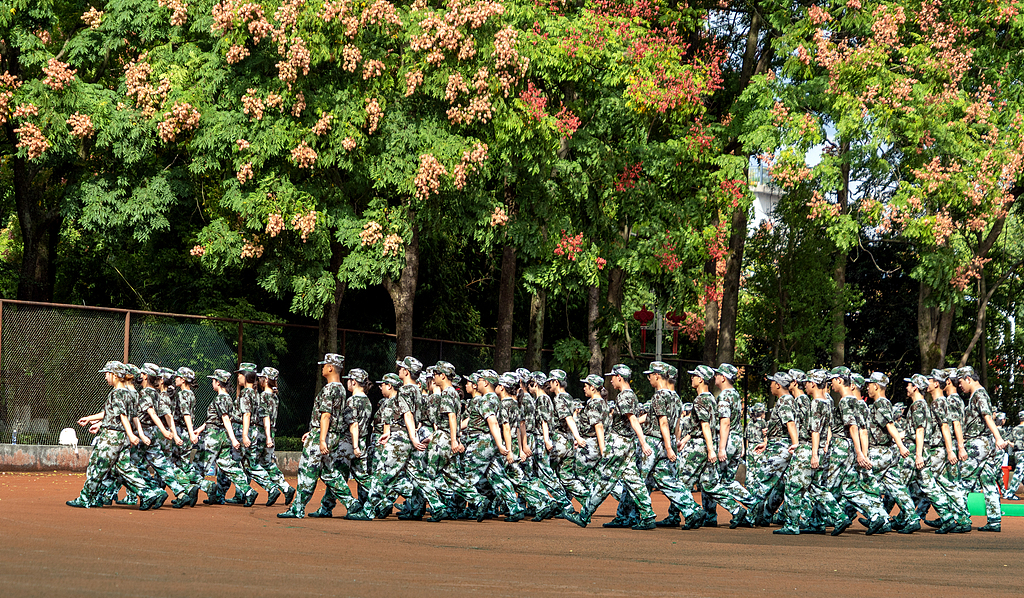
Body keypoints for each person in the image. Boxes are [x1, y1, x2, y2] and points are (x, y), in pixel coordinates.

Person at [68, 361, 166, 510]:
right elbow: (131, 416)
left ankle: (86, 498)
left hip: (112, 437)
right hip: (121, 438)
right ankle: (149, 493)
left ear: (114, 375)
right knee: (124, 468)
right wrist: (133, 434)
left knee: (97, 466)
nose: (106, 377)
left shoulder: (117, 393)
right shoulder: (128, 394)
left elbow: (123, 416)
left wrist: (132, 435)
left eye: (107, 374)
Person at [570, 365, 658, 530]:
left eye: (613, 376)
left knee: (604, 480)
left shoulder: (624, 396)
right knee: (633, 480)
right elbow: (634, 420)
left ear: (619, 377)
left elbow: (632, 420)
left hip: (619, 444)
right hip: (626, 444)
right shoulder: (630, 395)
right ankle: (647, 515)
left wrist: (643, 441)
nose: (610, 380)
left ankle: (584, 515)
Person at [279, 354, 349, 518]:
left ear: (330, 367)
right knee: (330, 474)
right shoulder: (341, 389)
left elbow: (325, 416)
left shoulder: (329, 388)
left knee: (306, 471)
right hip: (332, 434)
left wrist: (320, 438)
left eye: (324, 365)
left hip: (322, 435)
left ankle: (297, 508)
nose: (322, 368)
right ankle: (353, 504)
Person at [956, 366, 1009, 531]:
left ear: (968, 378)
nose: (959, 386)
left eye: (960, 382)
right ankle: (994, 521)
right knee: (988, 482)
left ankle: (960, 518)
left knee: (962, 481)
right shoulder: (977, 394)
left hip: (978, 445)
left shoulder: (979, 395)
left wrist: (998, 437)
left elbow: (987, 417)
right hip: (984, 445)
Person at [864, 372, 918, 532]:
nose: (867, 388)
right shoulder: (884, 403)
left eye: (869, 384)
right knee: (896, 487)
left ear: (876, 386)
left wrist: (901, 445)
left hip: (879, 452)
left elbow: (890, 425)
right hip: (887, 453)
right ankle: (911, 518)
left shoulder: (880, 403)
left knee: (864, 483)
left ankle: (879, 518)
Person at [199, 369, 257, 506]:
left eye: (213, 380)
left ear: (218, 383)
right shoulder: (228, 398)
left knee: (198, 467)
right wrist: (199, 429)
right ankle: (248, 491)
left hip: (214, 437)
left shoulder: (220, 398)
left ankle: (207, 488)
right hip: (222, 436)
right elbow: (215, 418)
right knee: (228, 466)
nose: (212, 383)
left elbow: (225, 419)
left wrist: (234, 439)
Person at [255, 367, 294, 506]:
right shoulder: (274, 396)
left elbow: (265, 417)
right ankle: (286, 488)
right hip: (270, 432)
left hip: (262, 433)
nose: (259, 380)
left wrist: (267, 437)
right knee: (267, 463)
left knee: (251, 463)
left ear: (266, 380)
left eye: (261, 378)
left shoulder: (263, 396)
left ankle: (270, 489)